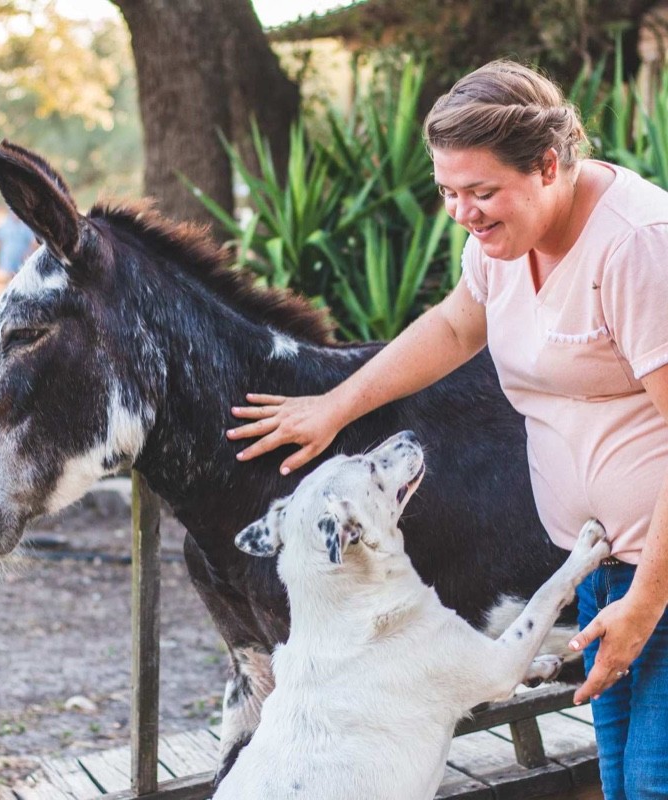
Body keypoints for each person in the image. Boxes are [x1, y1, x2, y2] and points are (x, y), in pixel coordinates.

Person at [227, 60, 668, 799]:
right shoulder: (502, 241)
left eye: (481, 192)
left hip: (658, 571)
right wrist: (337, 404)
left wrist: (647, 602)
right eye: (447, 192)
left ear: (549, 165)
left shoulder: (636, 248)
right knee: (624, 778)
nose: (461, 211)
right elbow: (458, 324)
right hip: (607, 563)